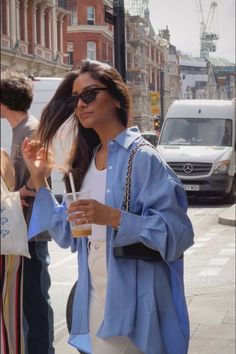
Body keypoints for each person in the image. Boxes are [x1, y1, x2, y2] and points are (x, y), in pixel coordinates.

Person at [22, 60, 194, 354]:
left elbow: (179, 234)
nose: (81, 104)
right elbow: (68, 233)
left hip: (135, 302)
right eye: (76, 98)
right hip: (93, 297)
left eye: (89, 94)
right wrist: (39, 178)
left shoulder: (142, 158)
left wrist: (115, 217)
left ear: (116, 98)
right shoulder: (86, 160)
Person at [0, 72, 54, 354]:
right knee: (29, 302)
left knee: (35, 302)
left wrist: (24, 191)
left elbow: (43, 169)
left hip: (33, 228)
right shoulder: (22, 129)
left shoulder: (30, 130)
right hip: (26, 228)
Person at [0, 148, 25, 354]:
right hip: (7, 245)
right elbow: (9, 192)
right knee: (9, 314)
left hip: (5, 248)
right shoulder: (2, 156)